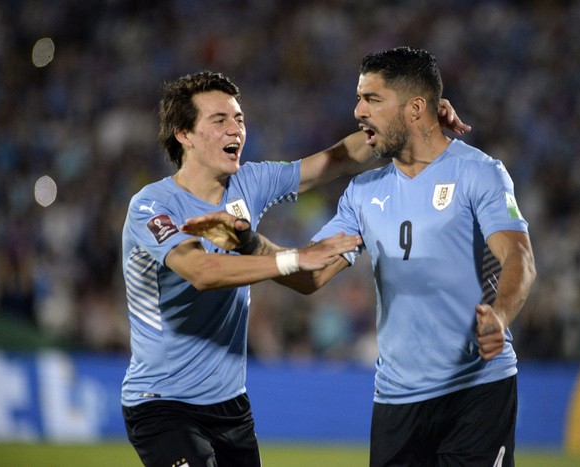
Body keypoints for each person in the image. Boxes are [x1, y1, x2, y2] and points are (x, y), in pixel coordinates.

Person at [186, 47, 535, 466]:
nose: (357, 110)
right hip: (396, 401)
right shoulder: (364, 192)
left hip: (475, 392)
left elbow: (519, 257)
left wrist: (499, 316)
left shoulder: (479, 172)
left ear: (416, 108)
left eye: (372, 99)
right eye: (358, 98)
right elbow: (311, 274)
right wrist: (248, 243)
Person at [120, 70, 470, 467]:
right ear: (184, 134)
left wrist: (412, 120)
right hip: (162, 403)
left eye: (239, 119)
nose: (235, 129)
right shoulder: (152, 206)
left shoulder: (251, 183)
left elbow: (338, 158)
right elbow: (201, 271)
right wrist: (292, 258)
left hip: (230, 405)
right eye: (219, 121)